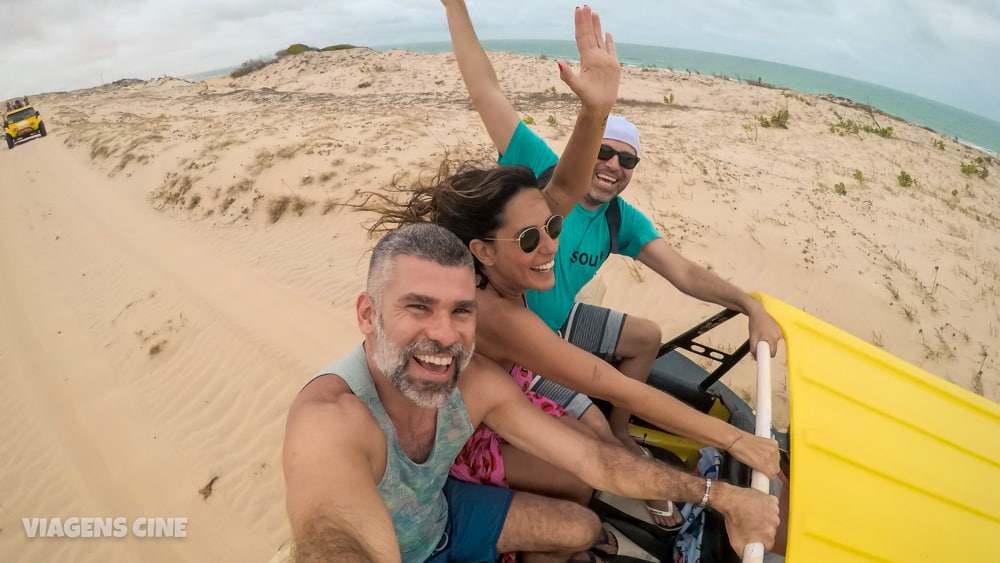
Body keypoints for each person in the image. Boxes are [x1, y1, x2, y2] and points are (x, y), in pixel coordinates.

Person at [441, 0, 783, 527]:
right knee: (591, 443)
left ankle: (619, 437)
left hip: (555, 326)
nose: (612, 165)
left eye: (627, 159)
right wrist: (456, 8)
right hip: (529, 346)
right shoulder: (538, 180)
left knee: (641, 340)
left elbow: (685, 272)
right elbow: (486, 89)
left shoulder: (617, 220)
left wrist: (748, 304)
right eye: (603, 152)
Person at [282, 222, 780, 562]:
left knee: (582, 528)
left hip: (444, 515)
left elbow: (594, 460)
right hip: (400, 547)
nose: (445, 334)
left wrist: (719, 495)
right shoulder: (330, 419)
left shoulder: (474, 382)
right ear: (368, 315)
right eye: (418, 307)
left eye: (461, 311)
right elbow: (334, 535)